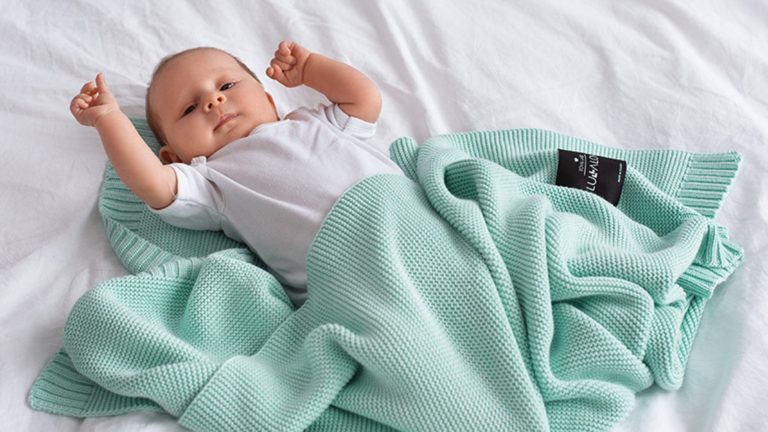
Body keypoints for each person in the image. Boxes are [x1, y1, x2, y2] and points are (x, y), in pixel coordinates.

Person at [70, 41, 403, 307]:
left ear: (269, 101)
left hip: (401, 213)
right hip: (346, 274)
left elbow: (364, 99)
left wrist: (311, 68)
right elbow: (153, 184)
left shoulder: (312, 121)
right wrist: (109, 119)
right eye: (189, 109)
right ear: (174, 157)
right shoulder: (210, 179)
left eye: (227, 85)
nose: (213, 100)